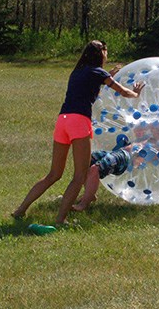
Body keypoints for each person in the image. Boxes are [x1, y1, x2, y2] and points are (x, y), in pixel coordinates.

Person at [11, 40, 144, 225]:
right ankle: (60, 220)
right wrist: (136, 94)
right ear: (101, 53)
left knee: (54, 174)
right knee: (79, 176)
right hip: (79, 122)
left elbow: (91, 95)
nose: (107, 55)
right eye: (106, 51)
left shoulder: (78, 72)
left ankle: (20, 210)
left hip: (62, 121)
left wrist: (106, 78)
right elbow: (122, 91)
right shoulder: (98, 72)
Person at [71, 140, 133, 212]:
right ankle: (90, 195)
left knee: (95, 168)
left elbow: (143, 156)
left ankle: (84, 204)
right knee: (87, 160)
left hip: (124, 157)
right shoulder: (140, 136)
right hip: (117, 152)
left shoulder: (147, 141)